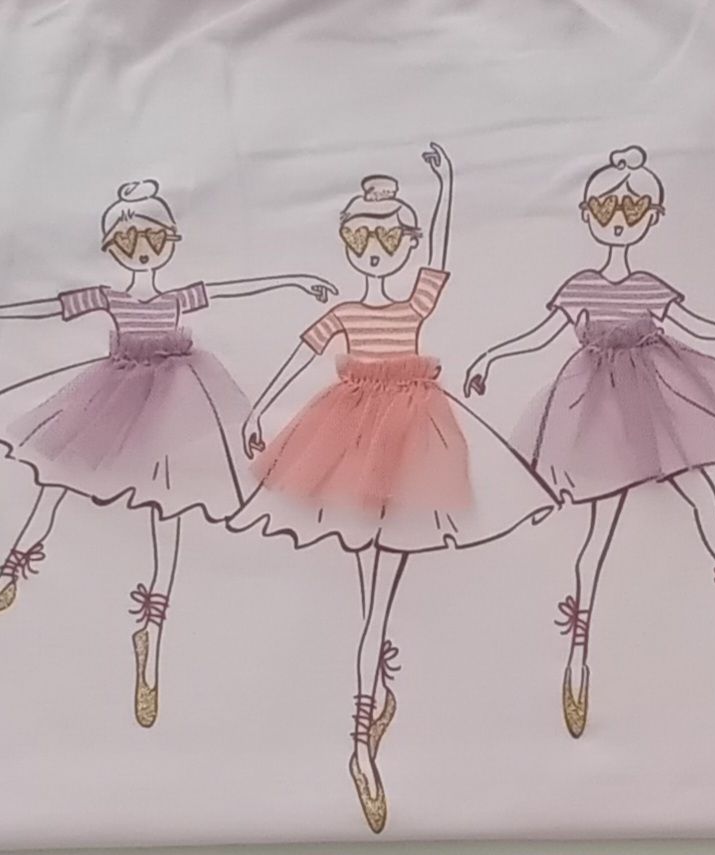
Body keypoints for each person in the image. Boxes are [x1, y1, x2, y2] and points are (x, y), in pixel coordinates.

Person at [230, 145, 556, 832]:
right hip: (348, 442)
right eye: (360, 241)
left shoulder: (412, 306)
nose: (374, 252)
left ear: (404, 243)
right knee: (370, 592)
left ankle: (365, 719)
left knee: (376, 593)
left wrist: (445, 186)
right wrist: (258, 408)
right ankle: (366, 719)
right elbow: (298, 355)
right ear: (348, 245)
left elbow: (440, 258)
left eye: (387, 240)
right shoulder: (346, 312)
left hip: (413, 442)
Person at [0, 179, 336, 729]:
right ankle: (5, 579)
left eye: (151, 240)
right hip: (113, 397)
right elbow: (51, 308)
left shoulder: (176, 299)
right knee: (55, 483)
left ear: (168, 241)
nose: (142, 252)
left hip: (174, 404)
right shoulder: (110, 298)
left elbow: (233, 288)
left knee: (166, 514)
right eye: (129, 243)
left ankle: (149, 641)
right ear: (114, 249)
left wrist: (293, 279)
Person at [465, 146, 715, 739]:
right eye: (606, 209)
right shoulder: (581, 286)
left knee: (703, 502)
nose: (619, 219)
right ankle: (577, 659)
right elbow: (539, 335)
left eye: (632, 210)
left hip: (658, 405)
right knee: (600, 535)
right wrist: (492, 357)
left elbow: (696, 327)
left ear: (652, 217)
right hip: (599, 415)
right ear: (588, 214)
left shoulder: (649, 286)